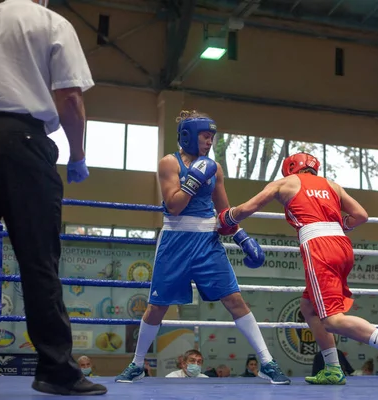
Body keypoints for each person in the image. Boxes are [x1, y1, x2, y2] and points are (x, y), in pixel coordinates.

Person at [115, 110, 290, 385]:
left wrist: (242, 237)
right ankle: (137, 364)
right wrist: (193, 180)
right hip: (175, 241)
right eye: (205, 136)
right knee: (157, 306)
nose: (209, 142)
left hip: (207, 242)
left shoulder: (215, 168)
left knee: (235, 300)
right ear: (188, 136)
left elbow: (224, 211)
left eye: (212, 137)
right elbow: (173, 205)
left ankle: (267, 361)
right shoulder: (168, 163)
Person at [218, 152, 378, 387]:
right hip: (342, 245)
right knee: (308, 307)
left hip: (319, 247)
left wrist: (226, 218)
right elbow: (361, 215)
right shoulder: (332, 185)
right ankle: (332, 368)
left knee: (331, 320)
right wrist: (341, 226)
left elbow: (249, 207)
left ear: (290, 168)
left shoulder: (285, 183)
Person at [0, 0, 104, 396]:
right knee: (39, 261)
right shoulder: (51, 22)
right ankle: (55, 371)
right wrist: (77, 154)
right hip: (23, 144)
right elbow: (70, 98)